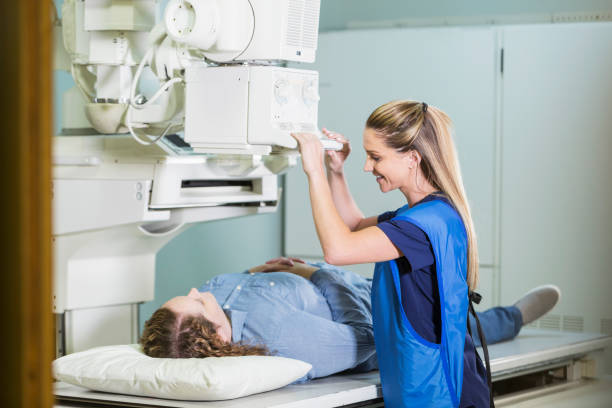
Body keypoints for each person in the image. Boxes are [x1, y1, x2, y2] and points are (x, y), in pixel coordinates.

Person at [288, 100, 494, 407]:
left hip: (441, 393)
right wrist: (336, 171)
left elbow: (337, 249)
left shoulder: (420, 227)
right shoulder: (425, 214)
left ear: (412, 158)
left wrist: (313, 171)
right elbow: (353, 225)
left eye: (375, 157)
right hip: (444, 385)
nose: (368, 166)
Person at [140, 258, 561, 384]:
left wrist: (258, 275)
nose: (197, 292)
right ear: (217, 333)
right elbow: (369, 337)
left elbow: (237, 288)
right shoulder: (282, 336)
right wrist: (314, 274)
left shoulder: (214, 314)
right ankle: (513, 317)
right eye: (196, 302)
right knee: (460, 326)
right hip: (369, 301)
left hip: (333, 281)